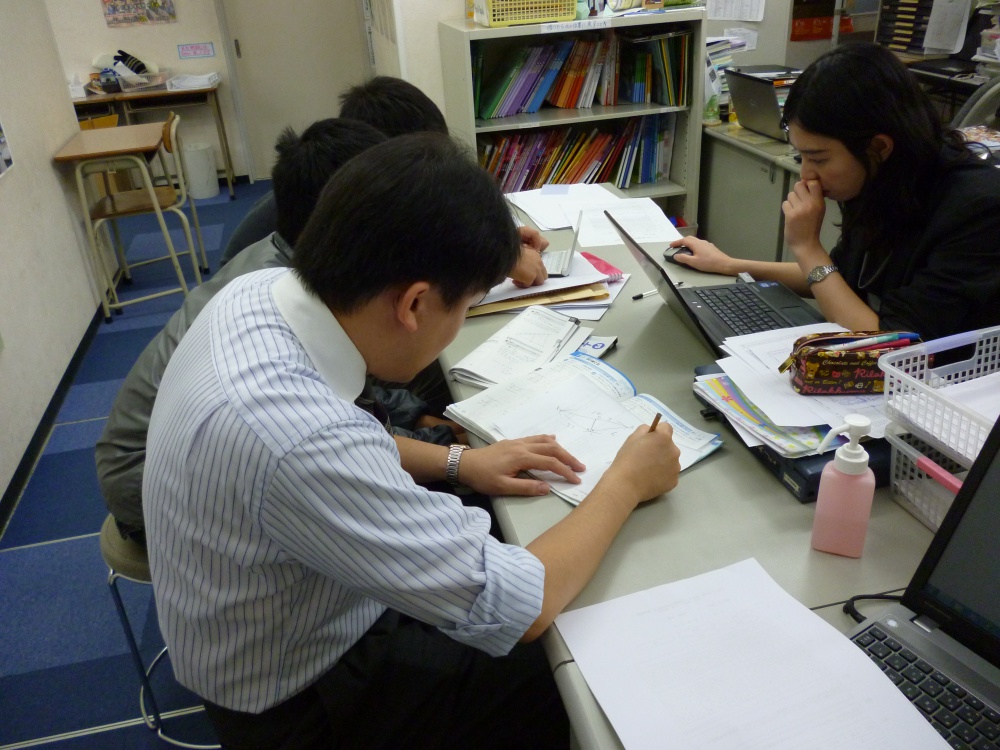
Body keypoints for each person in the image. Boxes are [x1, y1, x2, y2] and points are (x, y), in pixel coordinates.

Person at [143, 133, 681, 748]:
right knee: (576, 665)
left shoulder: (258, 293)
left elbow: (337, 450)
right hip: (305, 698)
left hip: (275, 614)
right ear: (416, 303)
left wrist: (460, 463)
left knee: (493, 522)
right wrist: (625, 481)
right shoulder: (299, 437)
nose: (458, 324)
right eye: (467, 307)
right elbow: (523, 604)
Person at [96, 119, 463, 545]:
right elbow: (333, 433)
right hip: (147, 483)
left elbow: (357, 393)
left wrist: (421, 420)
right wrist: (447, 449)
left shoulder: (288, 262)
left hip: (180, 450)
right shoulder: (280, 294)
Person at [670, 43, 1000, 341]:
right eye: (801, 157)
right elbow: (834, 277)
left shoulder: (979, 210)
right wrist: (730, 265)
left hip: (934, 379)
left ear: (879, 147)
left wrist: (807, 247)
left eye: (818, 158)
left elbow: (893, 345)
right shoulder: (882, 176)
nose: (807, 174)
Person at [218, 75, 550, 290]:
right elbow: (399, 264)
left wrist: (493, 241)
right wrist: (496, 260)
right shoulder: (320, 206)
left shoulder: (348, 186)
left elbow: (419, 232)